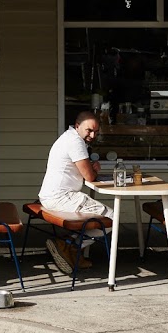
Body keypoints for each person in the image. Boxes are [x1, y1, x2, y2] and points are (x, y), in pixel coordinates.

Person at [38, 111, 113, 275]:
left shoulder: (69, 137)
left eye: (96, 131)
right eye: (89, 131)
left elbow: (83, 170)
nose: (93, 135)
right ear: (77, 126)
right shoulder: (75, 142)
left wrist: (89, 167)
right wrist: (92, 169)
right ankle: (68, 244)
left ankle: (71, 250)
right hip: (61, 197)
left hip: (52, 195)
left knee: (98, 216)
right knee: (112, 217)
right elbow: (89, 177)